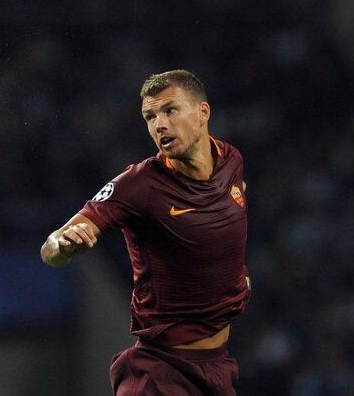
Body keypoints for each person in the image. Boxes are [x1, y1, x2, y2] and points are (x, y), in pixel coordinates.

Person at [41, 70, 251, 395]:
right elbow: (51, 247)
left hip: (219, 367)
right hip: (161, 372)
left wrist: (235, 280)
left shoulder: (230, 160)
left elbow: (221, 227)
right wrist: (64, 246)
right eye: (150, 117)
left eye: (169, 110)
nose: (160, 125)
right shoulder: (138, 184)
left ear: (202, 112)